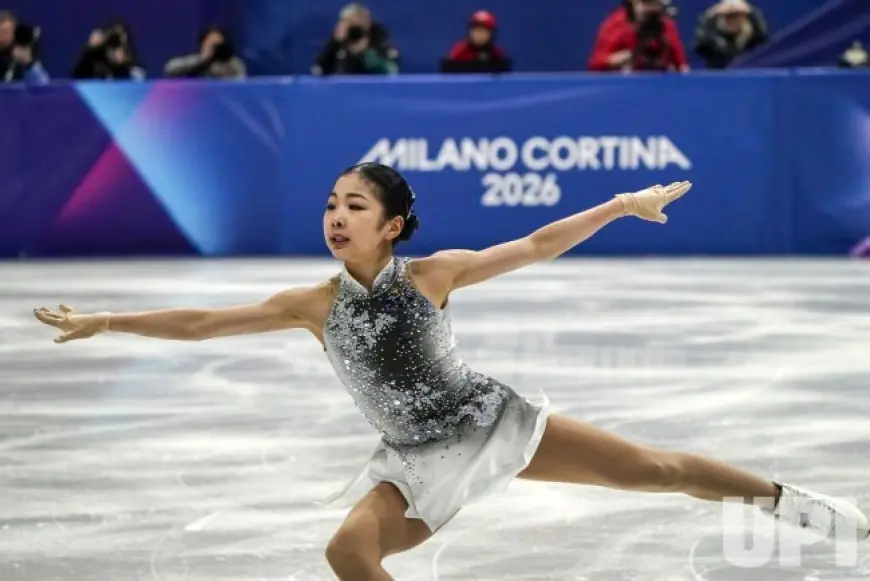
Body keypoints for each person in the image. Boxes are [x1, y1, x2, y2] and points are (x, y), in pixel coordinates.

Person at [33, 164, 869, 580]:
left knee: (657, 469)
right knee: (348, 550)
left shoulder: (435, 274)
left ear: (392, 225)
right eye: (331, 204)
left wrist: (619, 206)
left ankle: (794, 501)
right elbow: (204, 321)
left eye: (354, 206)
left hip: (486, 421)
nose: (335, 216)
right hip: (411, 458)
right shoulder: (313, 302)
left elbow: (536, 244)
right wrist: (107, 319)